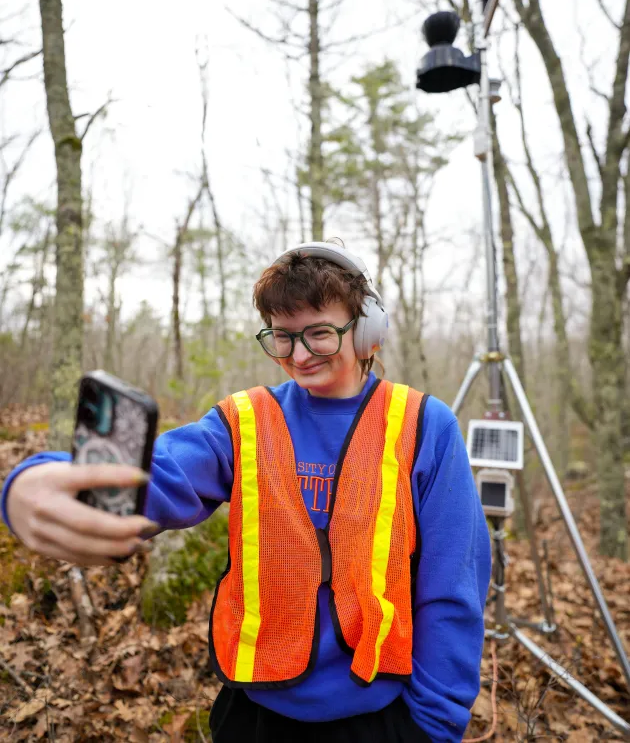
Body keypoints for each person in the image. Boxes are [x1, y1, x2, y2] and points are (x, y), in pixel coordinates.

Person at [2, 241, 491, 743]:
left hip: (382, 716)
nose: (299, 355)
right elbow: (159, 472)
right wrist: (35, 480)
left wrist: (434, 723)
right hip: (254, 712)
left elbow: (452, 587)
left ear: (366, 331)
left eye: (320, 334)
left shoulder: (424, 425)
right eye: (282, 338)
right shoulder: (245, 421)